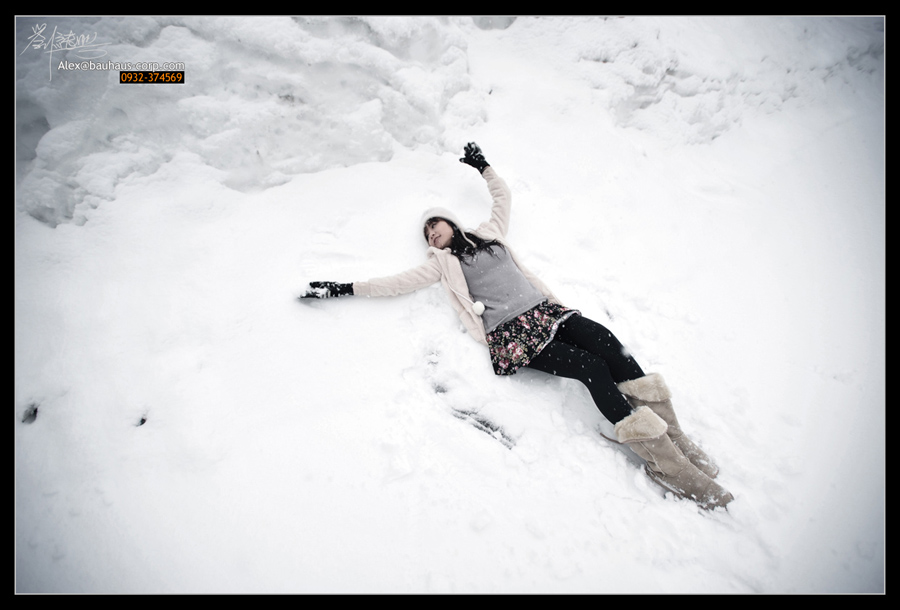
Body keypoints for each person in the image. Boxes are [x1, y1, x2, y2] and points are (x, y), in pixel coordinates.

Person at [301, 143, 733, 510]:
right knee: (591, 368)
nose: (432, 234)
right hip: (514, 336)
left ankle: (675, 437)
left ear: (451, 222)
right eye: (427, 235)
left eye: (435, 225)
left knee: (607, 342)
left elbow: (502, 196)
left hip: (548, 312)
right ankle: (666, 464)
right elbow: (394, 283)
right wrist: (343, 288)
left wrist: (482, 166)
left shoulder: (490, 233)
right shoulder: (442, 265)